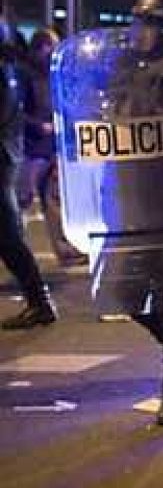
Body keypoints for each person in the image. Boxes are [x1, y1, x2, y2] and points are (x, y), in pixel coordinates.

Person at [54, 0, 163, 423]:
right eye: (140, 23)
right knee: (122, 296)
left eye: (153, 25)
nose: (140, 33)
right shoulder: (120, 70)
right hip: (125, 202)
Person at [0, 21, 56, 330]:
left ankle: (39, 301)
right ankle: (39, 301)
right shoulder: (10, 70)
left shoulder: (6, 74)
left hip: (3, 159)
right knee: (8, 235)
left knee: (8, 236)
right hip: (8, 155)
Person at [17, 28, 86, 269]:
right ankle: (15, 252)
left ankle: (65, 250)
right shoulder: (25, 76)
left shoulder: (53, 75)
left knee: (53, 198)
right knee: (20, 201)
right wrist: (40, 126)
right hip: (30, 148)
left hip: (49, 147)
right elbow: (18, 112)